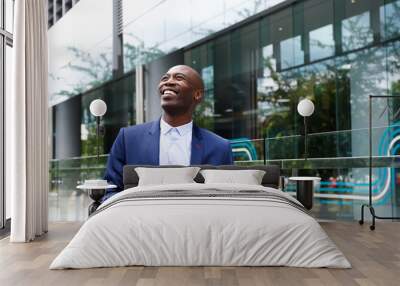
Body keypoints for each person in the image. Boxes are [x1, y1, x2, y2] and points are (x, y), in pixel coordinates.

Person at [102, 65, 233, 200]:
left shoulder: (220, 147)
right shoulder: (128, 139)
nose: (168, 82)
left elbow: (227, 197)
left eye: (179, 78)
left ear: (197, 94)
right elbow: (110, 191)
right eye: (165, 78)